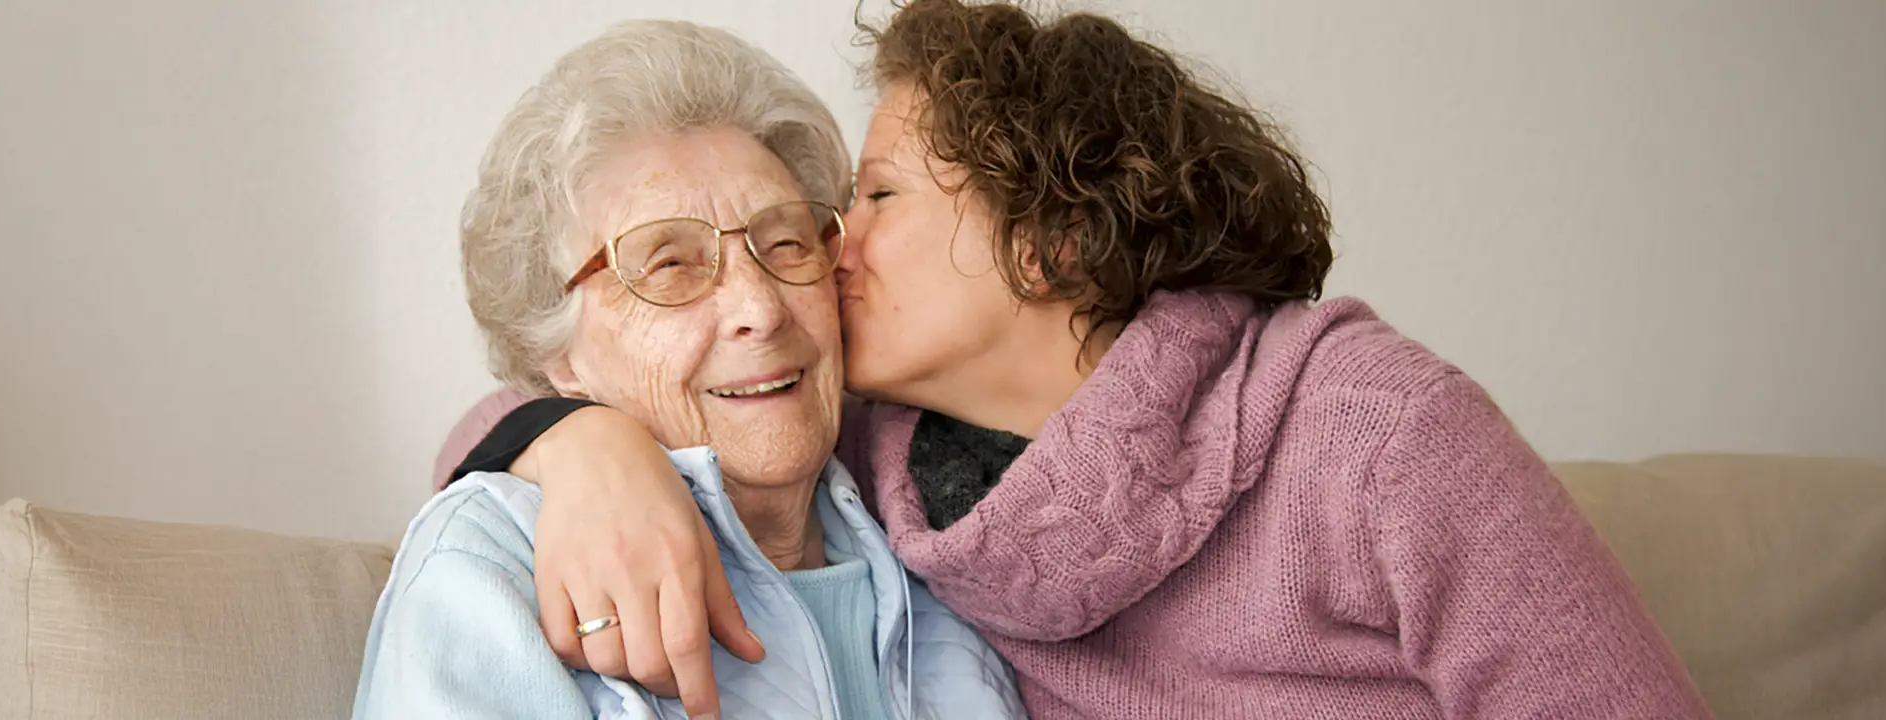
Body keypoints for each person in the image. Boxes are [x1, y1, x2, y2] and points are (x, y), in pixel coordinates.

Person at [440, 1, 1711, 717]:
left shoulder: (1370, 434)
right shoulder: (880, 461)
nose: (821, 256)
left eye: (874, 197)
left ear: (1046, 240)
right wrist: (583, 447)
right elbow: (576, 367)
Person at [354, 19, 1025, 720]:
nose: (760, 309)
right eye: (669, 265)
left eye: (788, 242)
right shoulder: (496, 567)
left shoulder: (944, 547)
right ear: (559, 355)